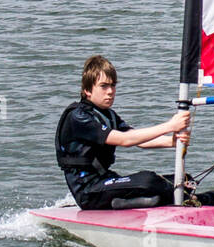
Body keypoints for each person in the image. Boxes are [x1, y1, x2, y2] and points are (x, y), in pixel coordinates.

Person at [56, 55, 203, 210]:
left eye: (113, 86)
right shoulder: (79, 117)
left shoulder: (108, 115)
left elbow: (137, 138)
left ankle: (185, 200)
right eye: (104, 86)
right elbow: (124, 140)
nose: (110, 92)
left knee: (185, 180)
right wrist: (170, 125)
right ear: (87, 90)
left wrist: (170, 141)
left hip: (106, 180)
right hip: (88, 191)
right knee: (149, 181)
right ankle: (146, 202)